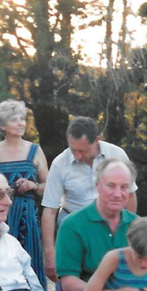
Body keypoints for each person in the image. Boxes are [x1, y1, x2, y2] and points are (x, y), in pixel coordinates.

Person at [41, 115, 133, 280]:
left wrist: (130, 231)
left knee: (115, 277)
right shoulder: (59, 164)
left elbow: (131, 195)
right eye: (72, 149)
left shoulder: (117, 155)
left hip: (111, 224)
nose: (76, 155)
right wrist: (49, 253)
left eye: (82, 150)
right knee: (69, 278)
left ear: (96, 140)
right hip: (73, 224)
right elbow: (49, 210)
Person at [0, 100, 49, 285]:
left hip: (28, 218)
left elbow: (48, 187)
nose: (21, 124)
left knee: (30, 264)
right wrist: (1, 190)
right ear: (2, 125)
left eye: (22, 119)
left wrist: (33, 186)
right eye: (14, 120)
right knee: (0, 265)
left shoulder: (35, 150)